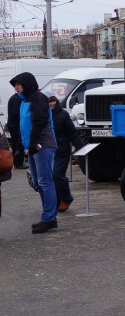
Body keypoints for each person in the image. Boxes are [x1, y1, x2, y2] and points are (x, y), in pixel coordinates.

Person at [10, 73, 59, 233]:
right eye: (15, 85)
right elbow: (22, 127)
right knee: (38, 183)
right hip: (31, 147)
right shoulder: (24, 101)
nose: (16, 88)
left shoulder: (39, 98)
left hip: (42, 145)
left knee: (45, 182)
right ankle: (48, 216)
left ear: (26, 84)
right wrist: (20, 147)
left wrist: (32, 144)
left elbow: (40, 121)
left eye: (18, 84)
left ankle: (49, 218)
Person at [49, 96, 85, 212]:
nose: (52, 103)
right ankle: (55, 201)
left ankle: (66, 198)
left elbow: (72, 133)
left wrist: (80, 148)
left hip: (62, 150)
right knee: (48, 178)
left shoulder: (63, 115)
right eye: (49, 101)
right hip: (48, 150)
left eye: (53, 101)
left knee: (57, 175)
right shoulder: (43, 115)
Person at [7, 92, 27, 169]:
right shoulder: (17, 99)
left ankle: (16, 162)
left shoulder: (13, 97)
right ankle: (18, 163)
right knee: (19, 144)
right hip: (16, 125)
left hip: (12, 124)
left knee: (15, 144)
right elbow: (15, 113)